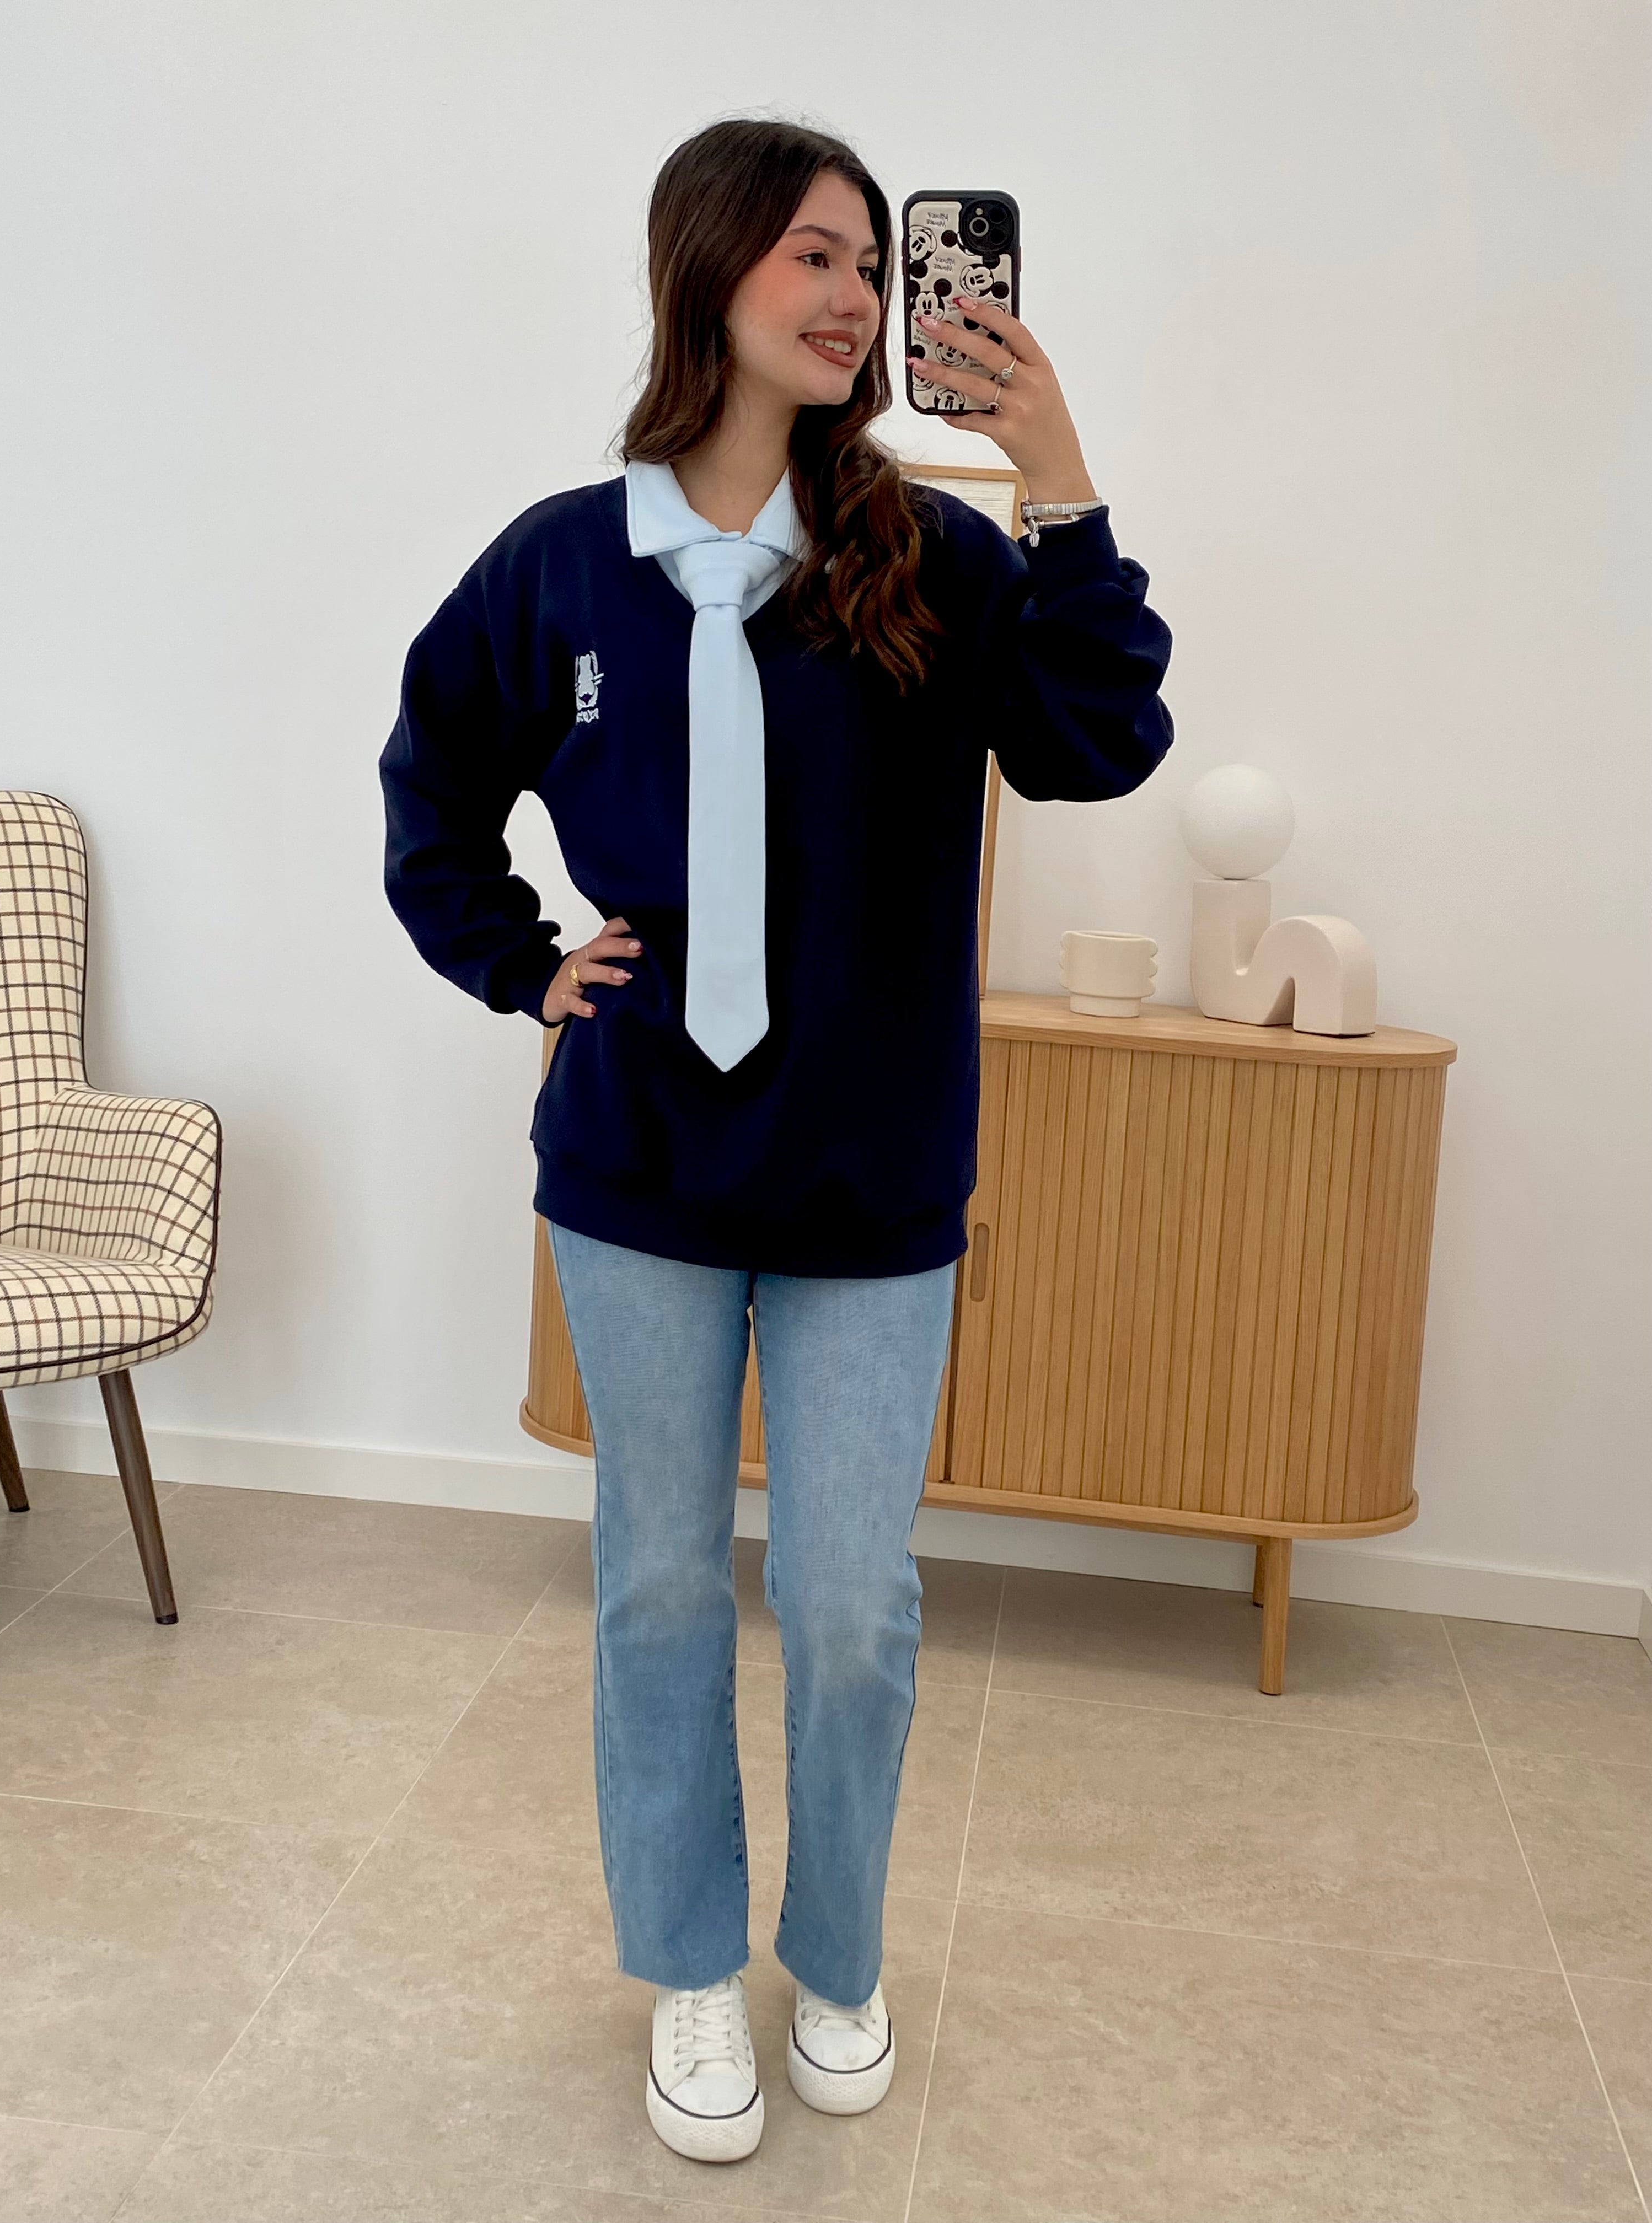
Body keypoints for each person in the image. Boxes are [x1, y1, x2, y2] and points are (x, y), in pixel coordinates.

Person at [379, 116, 1173, 2166]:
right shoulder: (563, 564)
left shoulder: (935, 557)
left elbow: (1099, 742)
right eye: (815, 253)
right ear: (708, 269)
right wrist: (522, 962)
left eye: (872, 262)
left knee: (849, 1605)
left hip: (871, 1171)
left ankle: (837, 1958)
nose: (855, 295)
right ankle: (687, 1972)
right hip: (639, 1170)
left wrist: (1058, 471)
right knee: (657, 1587)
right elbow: (432, 778)